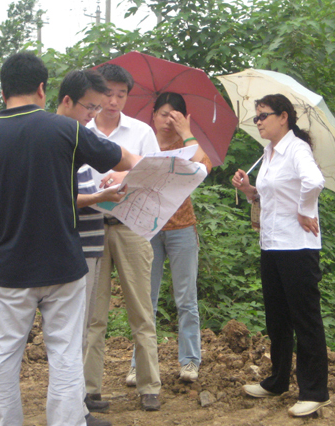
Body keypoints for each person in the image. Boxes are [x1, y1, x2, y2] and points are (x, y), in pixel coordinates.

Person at [0, 52, 140, 426]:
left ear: (3, 91)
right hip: (64, 265)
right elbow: (123, 161)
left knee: (3, 353)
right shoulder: (67, 131)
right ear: (42, 89)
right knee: (64, 353)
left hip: (12, 267)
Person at [232, 94, 330, 417]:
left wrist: (304, 210)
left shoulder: (297, 149)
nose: (258, 121)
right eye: (256, 116)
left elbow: (314, 181)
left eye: (264, 115)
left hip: (297, 247)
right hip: (271, 245)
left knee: (305, 319)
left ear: (284, 117)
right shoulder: (269, 152)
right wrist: (248, 190)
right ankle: (277, 381)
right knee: (277, 318)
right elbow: (269, 196)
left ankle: (314, 391)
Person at [84, 63, 162, 412]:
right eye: (108, 94)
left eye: (121, 94)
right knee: (93, 314)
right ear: (97, 94)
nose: (114, 101)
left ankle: (149, 385)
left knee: (141, 311)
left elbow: (156, 175)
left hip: (131, 226)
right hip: (91, 225)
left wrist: (124, 174)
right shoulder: (82, 131)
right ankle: (89, 389)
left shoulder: (141, 131)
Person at [57, 69, 127, 420]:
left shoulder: (77, 140)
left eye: (97, 108)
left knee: (81, 329)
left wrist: (102, 192)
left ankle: (77, 403)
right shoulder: (64, 140)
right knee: (73, 332)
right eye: (91, 107)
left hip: (89, 244)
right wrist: (101, 196)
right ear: (67, 100)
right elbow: (65, 197)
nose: (94, 114)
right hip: (77, 249)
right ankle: (74, 409)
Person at [127, 92, 212, 383]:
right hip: (147, 228)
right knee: (145, 299)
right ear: (153, 116)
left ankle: (190, 361)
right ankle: (140, 364)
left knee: (186, 298)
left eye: (174, 115)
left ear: (184, 118)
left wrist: (187, 132)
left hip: (182, 228)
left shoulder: (186, 147)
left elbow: (204, 167)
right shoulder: (143, 144)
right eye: (163, 114)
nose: (167, 120)